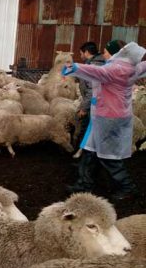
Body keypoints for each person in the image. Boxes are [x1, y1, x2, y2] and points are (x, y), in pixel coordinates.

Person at [63, 41, 146, 201]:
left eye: (107, 52)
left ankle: (127, 187)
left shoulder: (115, 69)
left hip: (109, 117)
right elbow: (144, 66)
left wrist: (75, 68)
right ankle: (84, 184)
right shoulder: (132, 68)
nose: (104, 54)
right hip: (108, 115)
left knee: (108, 156)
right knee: (90, 150)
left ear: (116, 53)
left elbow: (95, 72)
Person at [74, 42, 105, 145]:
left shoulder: (93, 67)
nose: (80, 56)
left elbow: (92, 90)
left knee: (87, 130)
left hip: (94, 104)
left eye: (81, 53)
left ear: (86, 52)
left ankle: (85, 154)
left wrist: (84, 108)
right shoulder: (99, 64)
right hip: (99, 104)